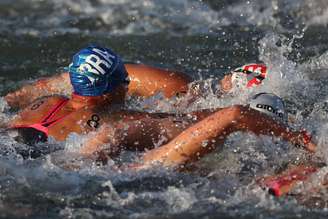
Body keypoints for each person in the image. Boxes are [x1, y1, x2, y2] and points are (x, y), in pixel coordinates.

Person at [2, 45, 315, 168]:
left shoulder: (46, 104)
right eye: (124, 82)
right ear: (114, 90)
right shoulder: (118, 123)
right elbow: (188, 121)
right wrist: (252, 112)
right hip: (72, 169)